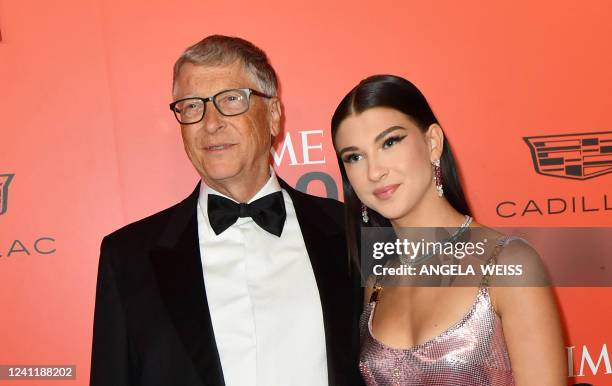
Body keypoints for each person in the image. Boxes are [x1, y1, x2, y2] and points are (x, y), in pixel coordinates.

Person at [90, 35, 361, 386]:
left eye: (231, 99)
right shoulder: (127, 257)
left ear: (274, 115)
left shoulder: (352, 232)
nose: (211, 122)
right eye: (191, 106)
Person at [331, 74, 566, 385]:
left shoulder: (508, 265)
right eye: (355, 157)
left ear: (432, 143)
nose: (374, 171)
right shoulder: (377, 282)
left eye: (390, 142)